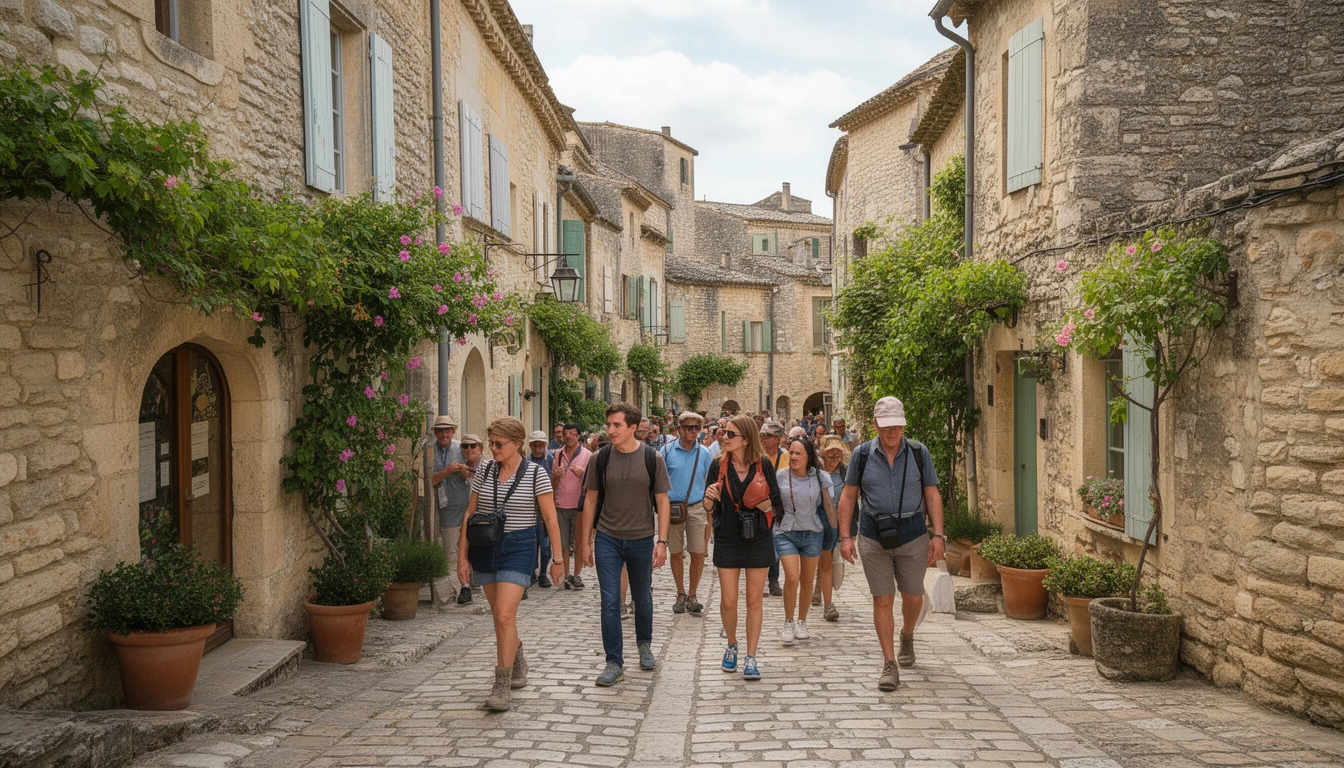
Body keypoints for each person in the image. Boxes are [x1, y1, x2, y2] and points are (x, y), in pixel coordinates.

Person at [456, 417, 564, 711]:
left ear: (517, 443)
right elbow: (469, 513)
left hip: (519, 547)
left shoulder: (536, 474)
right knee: (499, 616)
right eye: (490, 442)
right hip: (484, 546)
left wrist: (557, 559)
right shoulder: (484, 471)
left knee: (504, 614)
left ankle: (501, 686)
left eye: (498, 443)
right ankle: (516, 656)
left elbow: (550, 518)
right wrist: (462, 557)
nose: (492, 448)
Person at [837, 397, 944, 692]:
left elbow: (932, 493)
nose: (892, 431)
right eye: (886, 426)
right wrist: (845, 537)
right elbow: (848, 496)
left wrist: (938, 535)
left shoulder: (919, 453)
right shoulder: (861, 455)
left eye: (897, 425)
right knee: (882, 599)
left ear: (904, 424)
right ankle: (889, 664)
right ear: (875, 425)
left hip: (913, 533)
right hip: (874, 535)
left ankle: (907, 634)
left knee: (913, 596)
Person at [577, 403, 672, 686]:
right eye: (608, 424)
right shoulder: (600, 459)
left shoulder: (653, 458)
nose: (610, 430)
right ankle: (613, 662)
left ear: (633, 427)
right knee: (610, 600)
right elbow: (590, 500)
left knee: (642, 597)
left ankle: (644, 645)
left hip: (641, 538)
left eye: (616, 425)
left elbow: (662, 501)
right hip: (607, 538)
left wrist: (662, 541)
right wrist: (585, 542)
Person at [703, 414, 782, 680]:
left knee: (754, 600)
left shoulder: (763, 464)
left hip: (758, 537)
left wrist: (760, 501)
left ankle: (751, 656)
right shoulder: (718, 465)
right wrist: (709, 498)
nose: (724, 437)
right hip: (727, 536)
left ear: (746, 439)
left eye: (730, 434)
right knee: (728, 600)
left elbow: (777, 506)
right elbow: (708, 507)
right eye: (724, 432)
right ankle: (731, 645)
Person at [774, 436, 834, 645]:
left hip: (812, 533)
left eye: (798, 453)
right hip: (786, 532)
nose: (793, 457)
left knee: (807, 581)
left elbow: (829, 507)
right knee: (792, 577)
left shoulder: (821, 477)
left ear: (809, 456)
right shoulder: (780, 476)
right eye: (791, 452)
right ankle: (788, 622)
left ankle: (802, 621)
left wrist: (839, 533)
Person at [662, 411, 712, 616]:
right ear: (679, 429)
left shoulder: (704, 453)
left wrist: (709, 504)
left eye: (696, 428)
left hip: (697, 506)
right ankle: (680, 592)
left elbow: (711, 480)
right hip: (673, 508)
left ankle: (693, 594)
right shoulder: (667, 451)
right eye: (688, 427)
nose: (693, 431)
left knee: (697, 552)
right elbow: (659, 479)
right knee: (675, 551)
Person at [431, 416, 473, 606]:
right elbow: (429, 480)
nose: (444, 434)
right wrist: (448, 471)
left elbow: (476, 469)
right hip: (444, 509)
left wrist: (466, 472)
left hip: (466, 505)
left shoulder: (462, 448)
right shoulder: (429, 451)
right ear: (435, 433)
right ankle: (460, 587)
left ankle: (468, 585)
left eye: (447, 430)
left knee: (468, 548)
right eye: (440, 430)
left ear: (453, 431)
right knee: (451, 551)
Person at [551, 422, 590, 590]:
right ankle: (567, 575)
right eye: (566, 434)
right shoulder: (557, 455)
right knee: (563, 543)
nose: (569, 437)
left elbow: (592, 482)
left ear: (578, 436)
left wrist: (583, 475)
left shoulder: (587, 455)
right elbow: (552, 482)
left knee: (579, 542)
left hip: (579, 505)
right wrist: (555, 475)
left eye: (573, 434)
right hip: (560, 504)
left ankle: (577, 574)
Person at [815, 435, 848, 621]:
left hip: (836, 523)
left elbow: (851, 501)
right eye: (831, 453)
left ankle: (823, 595)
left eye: (838, 453)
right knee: (819, 558)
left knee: (828, 558)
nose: (835, 456)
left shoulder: (845, 474)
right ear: (823, 453)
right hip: (817, 521)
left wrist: (849, 529)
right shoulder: (815, 473)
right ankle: (816, 589)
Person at [759, 421, 789, 597]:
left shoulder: (786, 456)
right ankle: (761, 580)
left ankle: (773, 579)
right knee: (761, 543)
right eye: (762, 435)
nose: (764, 438)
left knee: (775, 542)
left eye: (768, 435)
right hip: (760, 505)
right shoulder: (757, 455)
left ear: (778, 438)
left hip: (779, 506)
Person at [527, 431, 555, 591]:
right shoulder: (526, 461)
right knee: (532, 543)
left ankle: (543, 573)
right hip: (531, 508)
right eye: (535, 445)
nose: (538, 448)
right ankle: (531, 572)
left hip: (546, 507)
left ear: (545, 445)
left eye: (541, 445)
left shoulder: (551, 459)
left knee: (544, 544)